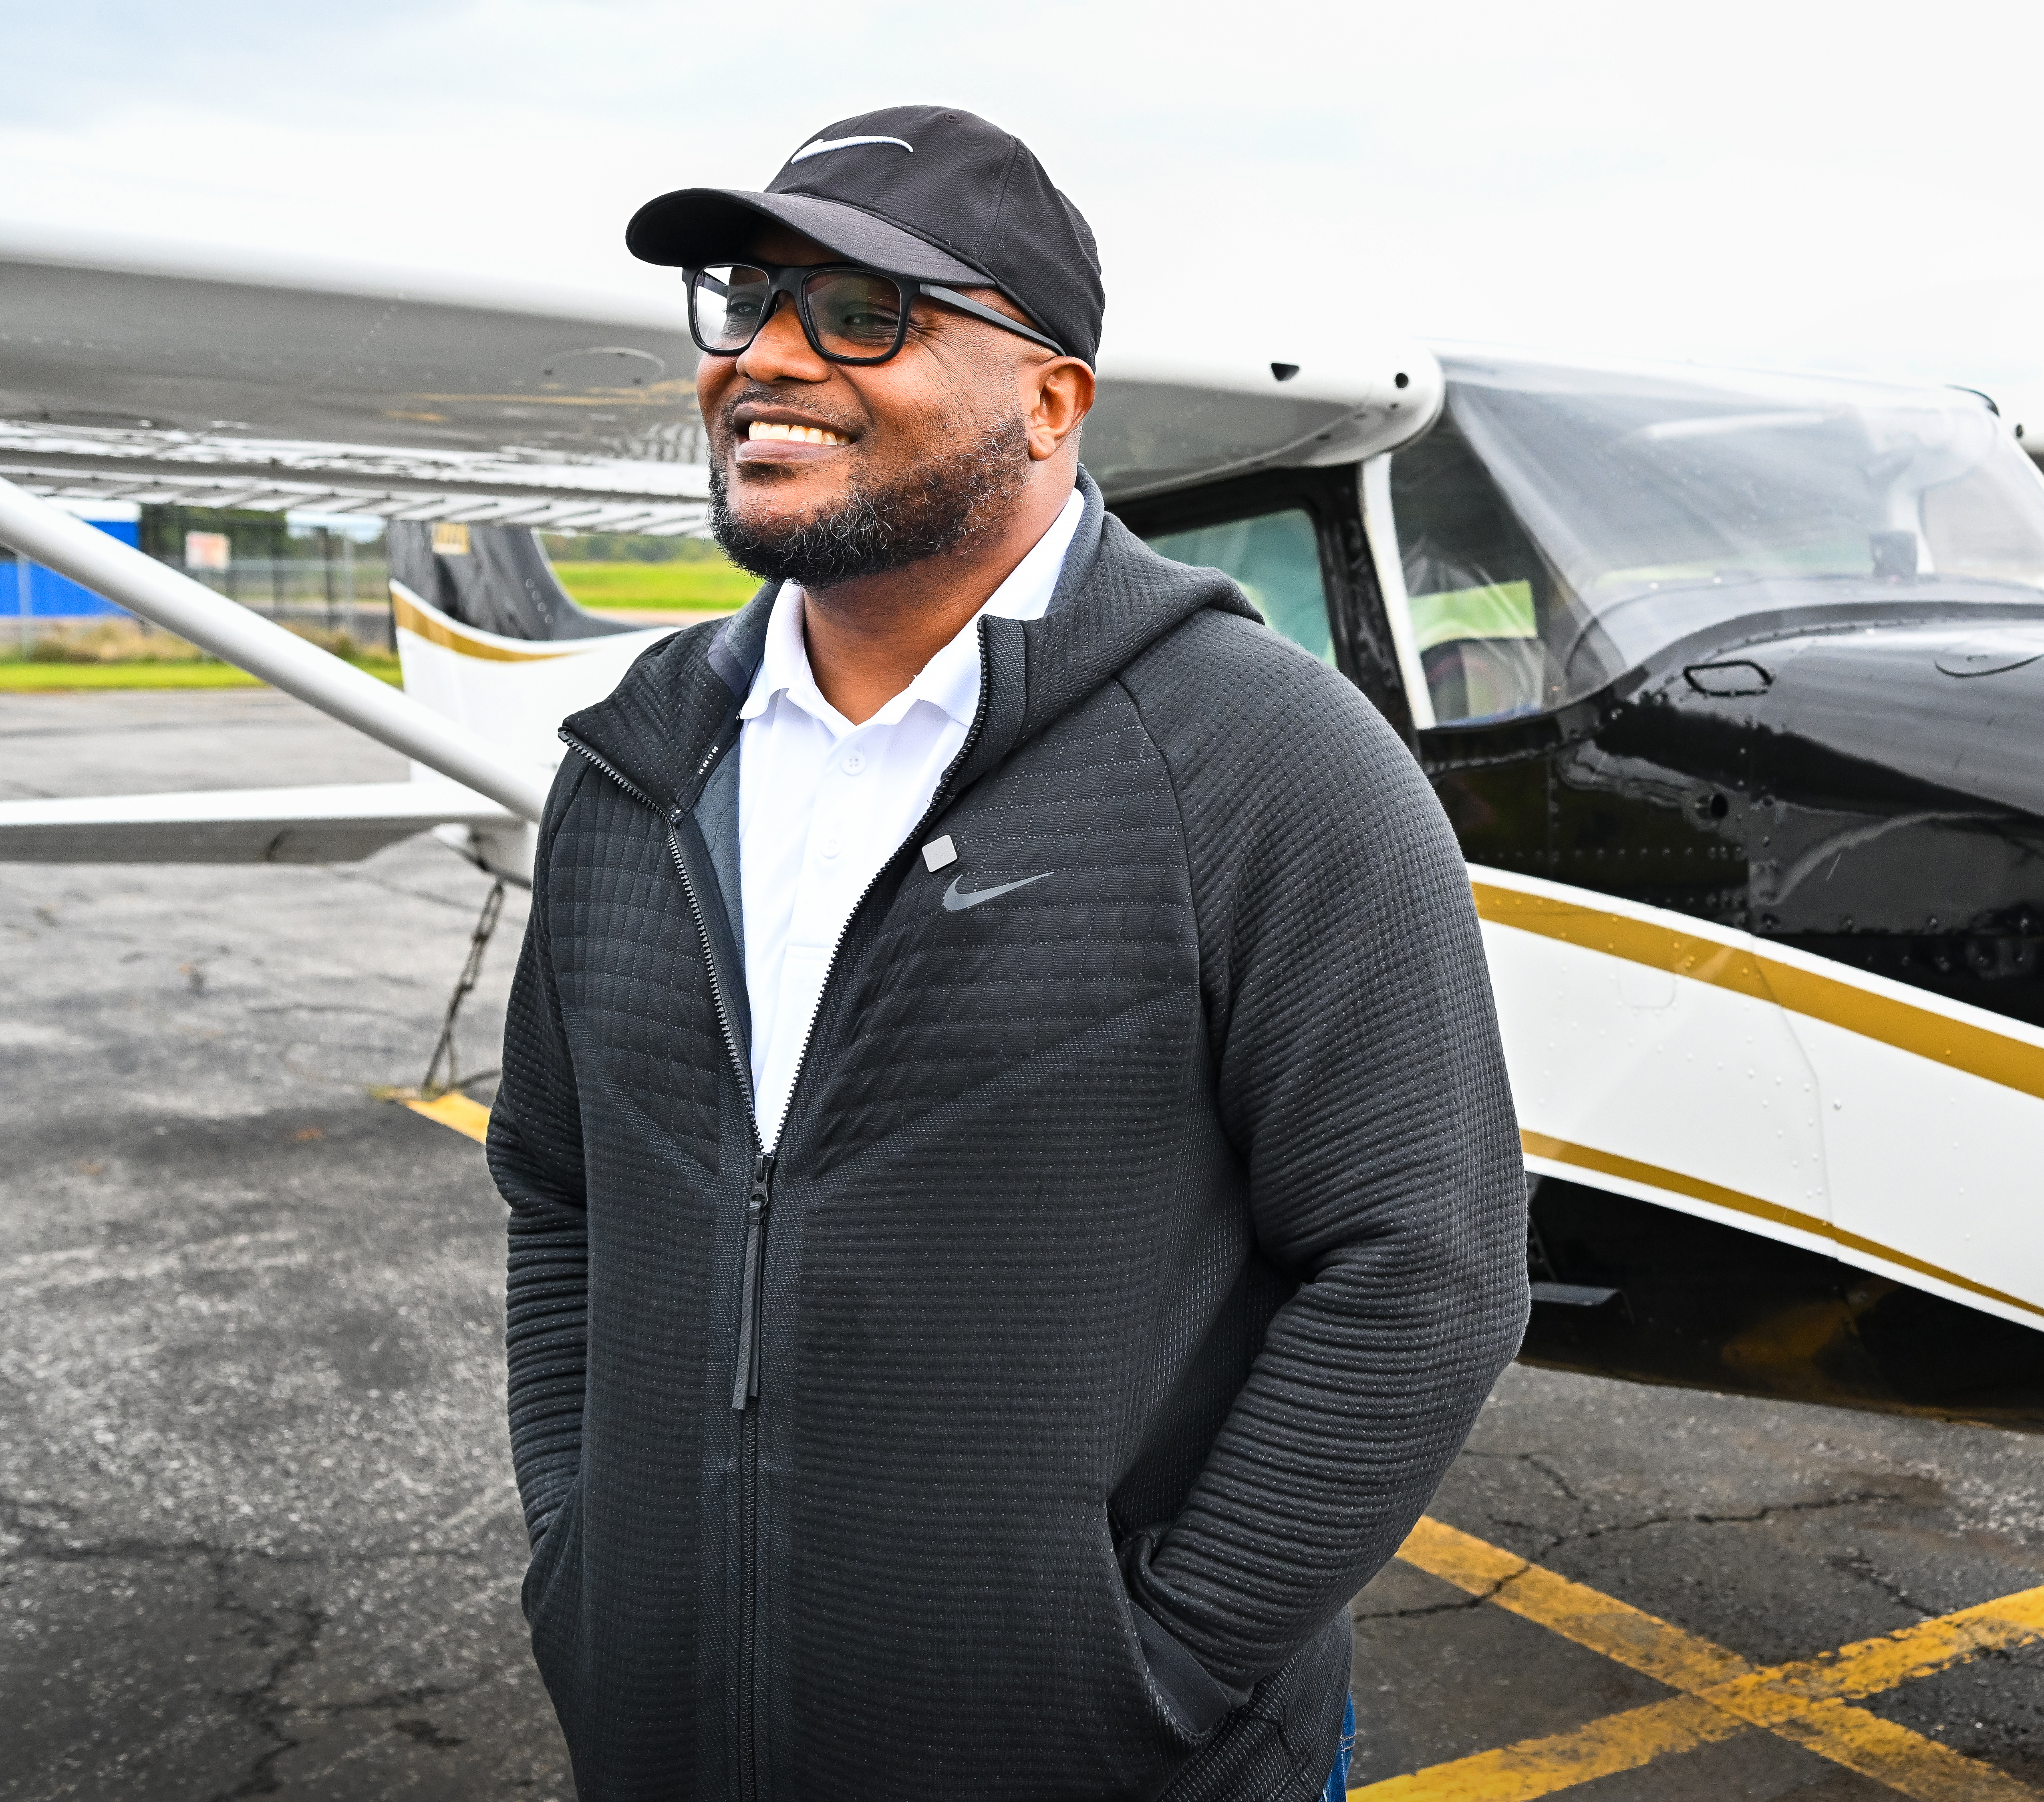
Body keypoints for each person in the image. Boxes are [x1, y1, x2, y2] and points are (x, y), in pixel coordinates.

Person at [486, 106, 1527, 1800]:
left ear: (1052, 401)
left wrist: (1158, 1665)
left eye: (864, 315)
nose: (769, 356)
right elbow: (559, 1191)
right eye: (747, 299)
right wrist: (581, 1558)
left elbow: (1426, 1270)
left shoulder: (1270, 760)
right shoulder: (634, 765)